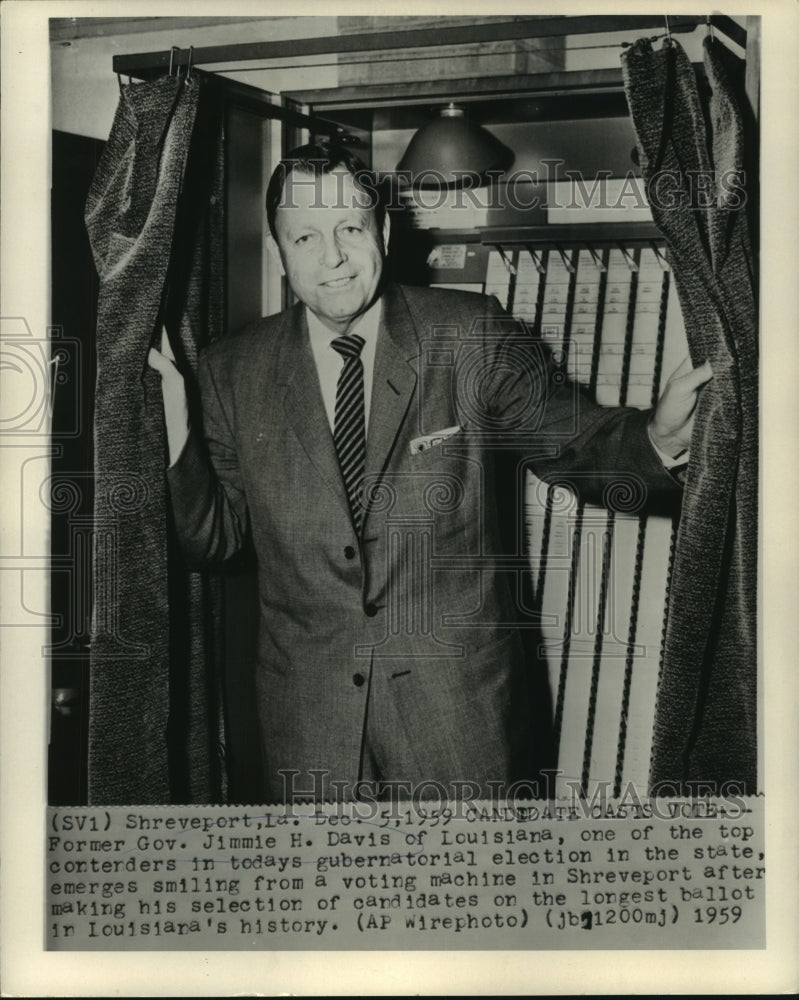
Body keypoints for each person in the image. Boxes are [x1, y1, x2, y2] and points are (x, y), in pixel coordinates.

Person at [148, 144, 711, 805]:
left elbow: (576, 441)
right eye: (304, 236)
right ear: (278, 251)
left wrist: (657, 436)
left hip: (458, 716)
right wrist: (176, 426)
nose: (330, 257)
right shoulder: (229, 371)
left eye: (349, 228)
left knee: (477, 901)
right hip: (308, 725)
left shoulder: (468, 335)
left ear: (381, 232)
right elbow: (211, 539)